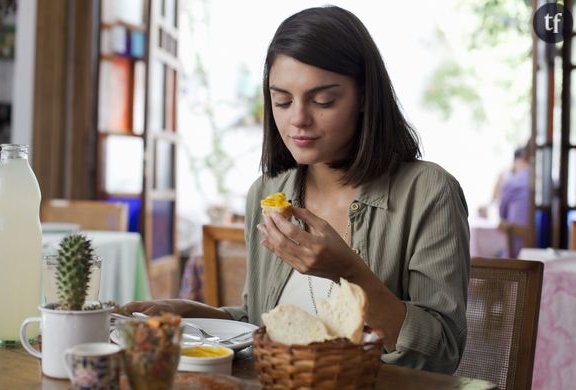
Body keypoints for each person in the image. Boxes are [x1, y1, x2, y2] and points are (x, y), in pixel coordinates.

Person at [125, 6, 470, 374]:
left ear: (365, 97)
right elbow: (261, 320)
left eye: (323, 101)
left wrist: (350, 273)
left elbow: (442, 351)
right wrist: (192, 313)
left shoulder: (429, 193)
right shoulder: (269, 192)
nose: (297, 119)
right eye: (282, 101)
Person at [499, 145, 531, 257]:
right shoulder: (546, 181)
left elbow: (501, 213)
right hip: (544, 245)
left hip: (517, 250)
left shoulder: (511, 181)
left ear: (521, 159)